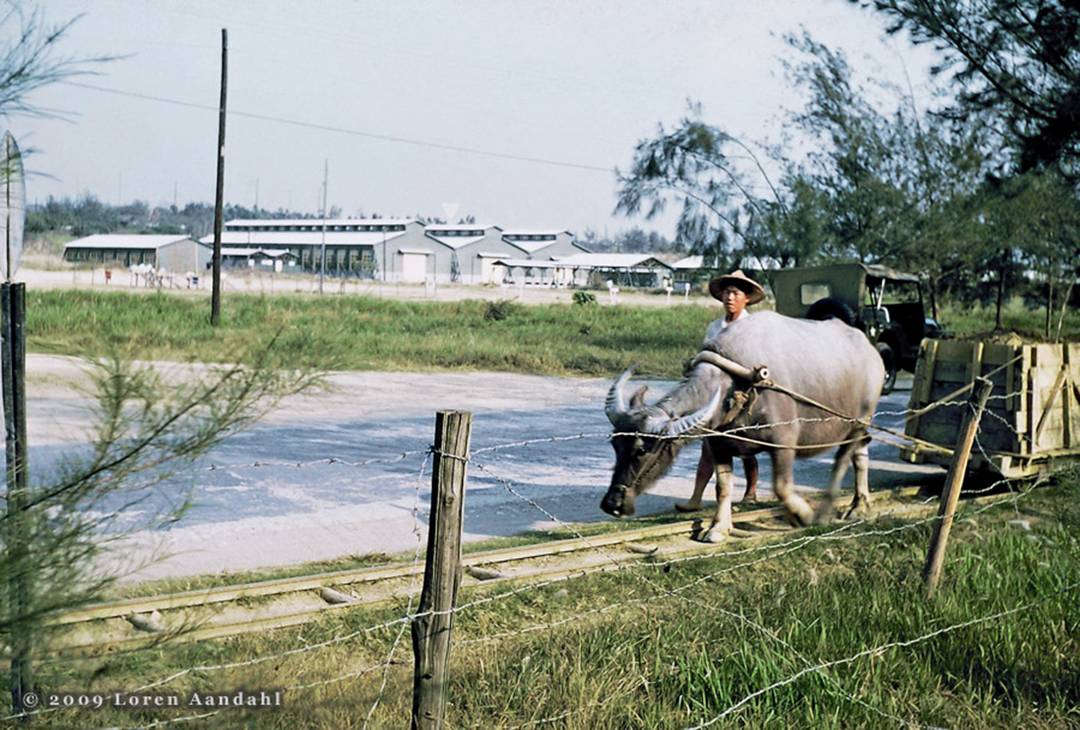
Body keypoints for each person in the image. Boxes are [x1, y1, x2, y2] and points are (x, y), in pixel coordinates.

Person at [677, 270, 765, 511]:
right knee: (709, 445)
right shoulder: (715, 327)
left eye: (735, 293)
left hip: (743, 393)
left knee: (745, 445)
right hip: (716, 393)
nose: (730, 297)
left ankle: (751, 492)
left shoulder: (753, 327)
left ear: (746, 298)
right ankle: (696, 497)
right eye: (727, 292)